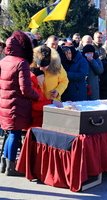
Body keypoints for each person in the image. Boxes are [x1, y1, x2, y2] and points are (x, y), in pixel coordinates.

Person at [0, 30, 39, 176]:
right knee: (14, 135)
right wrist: (38, 96)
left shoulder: (3, 61)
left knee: (9, 134)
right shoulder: (21, 63)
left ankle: (4, 165)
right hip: (17, 105)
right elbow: (26, 90)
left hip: (4, 104)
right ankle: (11, 167)